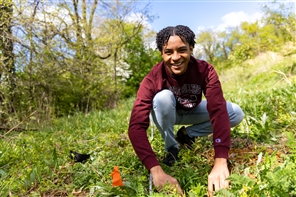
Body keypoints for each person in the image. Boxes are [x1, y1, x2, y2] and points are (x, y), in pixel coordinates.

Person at [128, 25, 244, 196]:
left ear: (191, 49)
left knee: (234, 112)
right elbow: (136, 126)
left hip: (192, 109)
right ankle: (171, 147)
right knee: (162, 98)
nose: (175, 57)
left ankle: (187, 135)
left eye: (182, 50)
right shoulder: (153, 77)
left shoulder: (205, 70)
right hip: (166, 113)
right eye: (169, 52)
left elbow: (218, 110)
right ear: (162, 53)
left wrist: (220, 161)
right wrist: (156, 170)